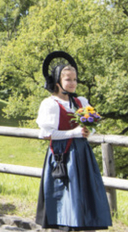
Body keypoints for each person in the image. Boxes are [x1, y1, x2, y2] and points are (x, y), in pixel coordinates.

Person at [35, 51, 112, 230]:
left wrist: (87, 131)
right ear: (57, 81)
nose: (73, 83)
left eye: (75, 79)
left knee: (85, 192)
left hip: (82, 153)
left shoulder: (80, 101)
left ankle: (83, 224)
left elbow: (91, 126)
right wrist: (73, 133)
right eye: (68, 79)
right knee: (65, 193)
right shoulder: (50, 104)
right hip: (62, 155)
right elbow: (45, 133)